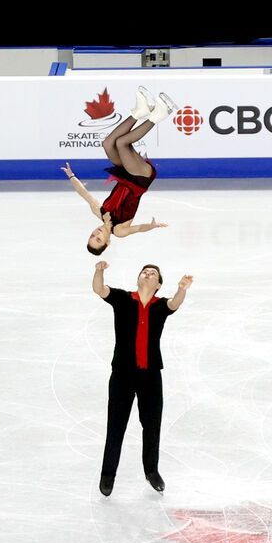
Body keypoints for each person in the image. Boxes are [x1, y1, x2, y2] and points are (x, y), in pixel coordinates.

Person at [91, 260, 192, 497]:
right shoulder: (123, 299)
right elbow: (99, 289)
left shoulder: (160, 306)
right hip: (122, 375)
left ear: (158, 283)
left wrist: (182, 289)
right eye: (145, 272)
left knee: (152, 424)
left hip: (150, 376)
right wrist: (98, 271)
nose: (148, 274)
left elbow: (174, 304)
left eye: (153, 273)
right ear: (139, 279)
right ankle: (108, 474)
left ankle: (151, 471)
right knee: (116, 425)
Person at [69, 88, 174, 258]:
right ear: (107, 242)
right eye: (98, 239)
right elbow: (138, 228)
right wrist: (151, 226)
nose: (96, 234)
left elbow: (84, 194)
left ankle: (139, 113)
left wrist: (71, 176)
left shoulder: (99, 212)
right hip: (140, 180)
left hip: (127, 174)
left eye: (92, 235)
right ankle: (158, 115)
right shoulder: (119, 231)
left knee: (108, 143)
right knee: (122, 143)